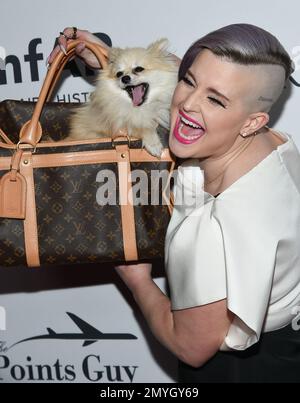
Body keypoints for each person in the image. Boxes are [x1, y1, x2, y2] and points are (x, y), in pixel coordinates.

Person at [48, 24, 300, 383]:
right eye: (189, 81)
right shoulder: (276, 144)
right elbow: (192, 84)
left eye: (215, 100)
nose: (185, 104)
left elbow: (191, 349)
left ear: (252, 121)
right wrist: (110, 59)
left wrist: (138, 281)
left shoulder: (212, 230)